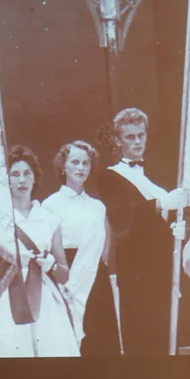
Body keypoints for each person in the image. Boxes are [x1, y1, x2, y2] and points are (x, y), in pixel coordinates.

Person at [0, 145, 80, 357]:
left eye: (27, 173)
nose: (21, 180)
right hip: (6, 299)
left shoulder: (50, 219)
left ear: (35, 178)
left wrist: (50, 264)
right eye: (15, 174)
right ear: (6, 180)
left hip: (45, 301)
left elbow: (64, 274)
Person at [96, 108, 184, 356]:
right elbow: (121, 214)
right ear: (118, 140)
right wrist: (159, 205)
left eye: (141, 136)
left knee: (168, 331)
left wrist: (178, 224)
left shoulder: (159, 173)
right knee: (141, 333)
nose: (137, 142)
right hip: (136, 268)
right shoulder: (109, 177)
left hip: (164, 262)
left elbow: (173, 211)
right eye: (130, 137)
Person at [42, 140, 121, 356]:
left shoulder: (98, 207)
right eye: (74, 162)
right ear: (63, 167)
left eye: (85, 163)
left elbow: (105, 250)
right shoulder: (50, 205)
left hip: (96, 279)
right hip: (65, 277)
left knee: (100, 342)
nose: (80, 168)